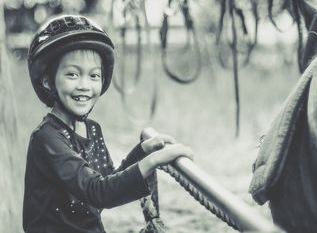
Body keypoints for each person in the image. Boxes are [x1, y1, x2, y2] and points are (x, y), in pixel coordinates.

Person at [23, 15, 193, 232]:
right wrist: (155, 161)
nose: (85, 85)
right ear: (47, 80)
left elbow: (107, 181)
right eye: (73, 74)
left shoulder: (92, 129)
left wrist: (141, 153)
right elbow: (100, 192)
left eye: (94, 76)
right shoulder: (47, 139)